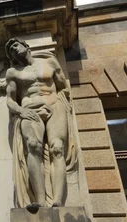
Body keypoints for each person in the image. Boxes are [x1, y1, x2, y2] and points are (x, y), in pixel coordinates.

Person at [5, 38, 76, 211]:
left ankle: (58, 199)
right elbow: (10, 100)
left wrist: (60, 105)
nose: (14, 49)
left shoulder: (50, 62)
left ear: (26, 46)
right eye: (10, 50)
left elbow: (63, 87)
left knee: (57, 148)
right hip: (30, 109)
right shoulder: (13, 72)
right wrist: (21, 111)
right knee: (33, 146)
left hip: (54, 105)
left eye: (15, 45)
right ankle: (40, 200)